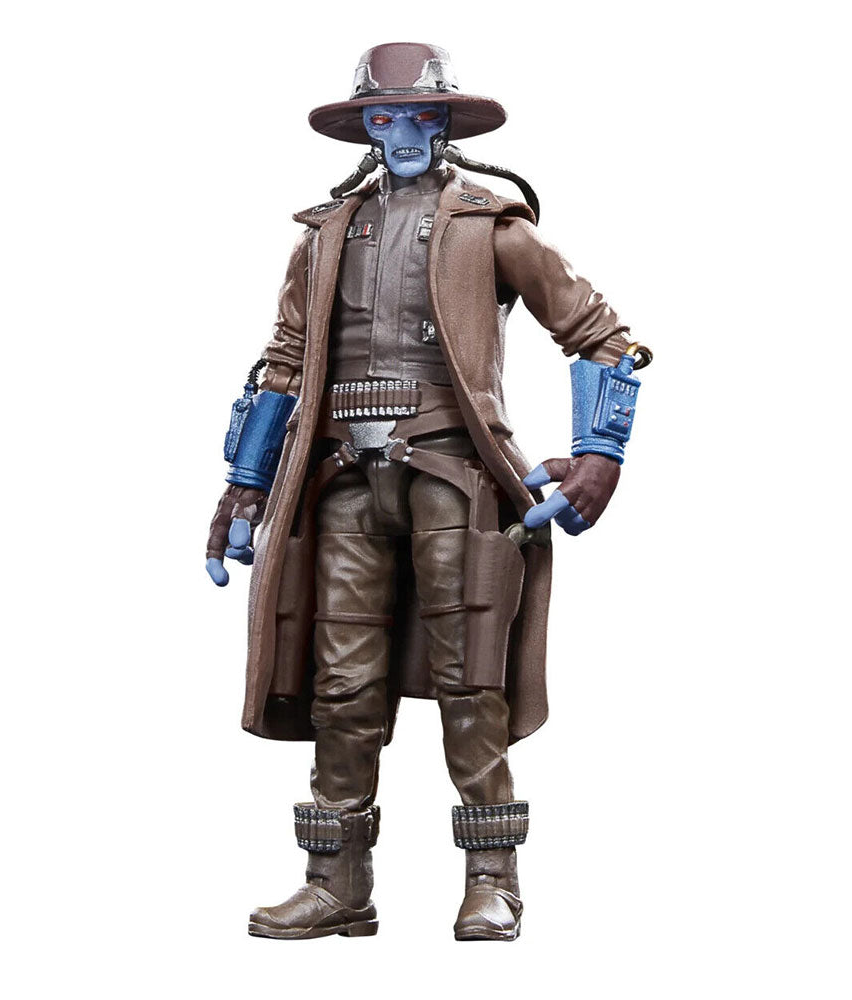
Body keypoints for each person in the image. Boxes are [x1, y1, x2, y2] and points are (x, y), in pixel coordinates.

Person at [205, 42, 649, 941]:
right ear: (365, 128)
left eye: (419, 115)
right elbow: (283, 363)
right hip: (340, 479)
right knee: (340, 681)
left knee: (470, 677)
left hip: (453, 472)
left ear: (444, 123)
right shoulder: (325, 235)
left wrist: (598, 455)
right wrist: (244, 485)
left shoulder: (492, 225)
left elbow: (602, 335)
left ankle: (492, 880)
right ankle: (336, 882)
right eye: (384, 116)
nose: (402, 131)